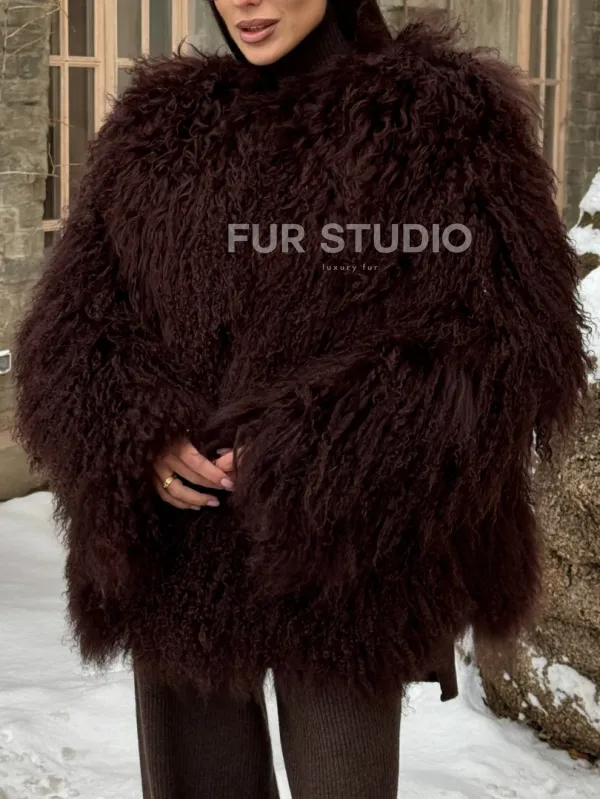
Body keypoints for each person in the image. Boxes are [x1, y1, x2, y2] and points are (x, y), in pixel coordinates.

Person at [14, 1, 589, 797]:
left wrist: (314, 453)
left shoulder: (441, 121)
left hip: (348, 557)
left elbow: (507, 340)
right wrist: (138, 432)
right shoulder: (157, 130)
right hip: (183, 552)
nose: (246, 1)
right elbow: (75, 325)